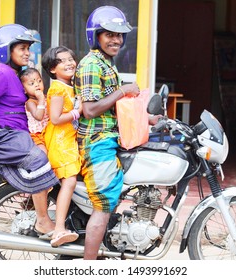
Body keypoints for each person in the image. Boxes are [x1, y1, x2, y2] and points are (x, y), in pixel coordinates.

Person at [74, 6, 160, 259]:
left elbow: (114, 109)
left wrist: (149, 118)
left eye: (120, 35)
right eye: (109, 34)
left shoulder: (106, 64)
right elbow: (90, 110)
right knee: (104, 205)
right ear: (96, 36)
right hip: (96, 142)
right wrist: (123, 91)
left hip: (110, 138)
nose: (116, 40)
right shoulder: (91, 65)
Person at [0, 24, 59, 240]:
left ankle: (34, 205)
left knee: (52, 157)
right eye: (22, 48)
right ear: (5, 50)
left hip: (12, 135)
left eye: (28, 48)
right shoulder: (1, 72)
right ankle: (43, 221)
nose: (27, 53)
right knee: (38, 160)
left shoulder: (14, 74)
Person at [41, 46, 81, 247]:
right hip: (59, 141)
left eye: (70, 59)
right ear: (52, 69)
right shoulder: (57, 88)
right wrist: (77, 112)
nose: (69, 63)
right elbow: (56, 119)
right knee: (70, 181)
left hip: (67, 140)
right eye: (62, 61)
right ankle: (58, 229)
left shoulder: (68, 85)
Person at [19, 67, 48, 155]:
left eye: (39, 81)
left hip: (48, 131)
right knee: (44, 154)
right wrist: (41, 100)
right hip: (37, 135)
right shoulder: (30, 103)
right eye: (32, 83)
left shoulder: (46, 97)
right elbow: (39, 117)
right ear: (24, 90)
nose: (37, 84)